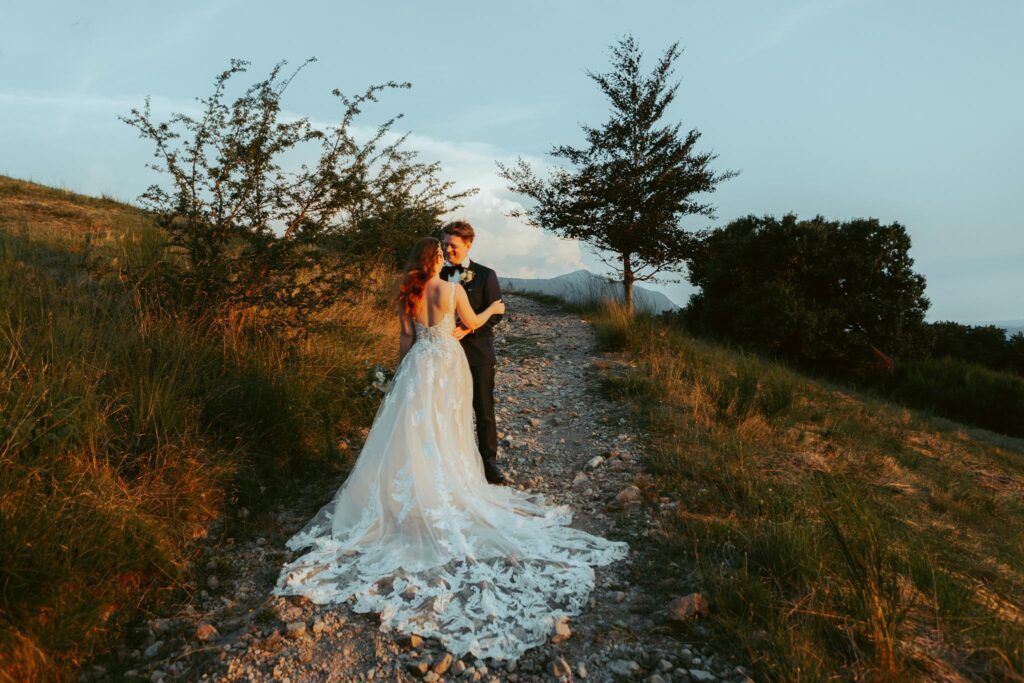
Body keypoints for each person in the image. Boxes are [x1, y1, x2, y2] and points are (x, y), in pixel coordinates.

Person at [273, 237, 628, 661]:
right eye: (442, 254)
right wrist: (495, 309)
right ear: (436, 260)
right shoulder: (451, 288)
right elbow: (472, 322)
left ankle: (406, 494)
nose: (446, 256)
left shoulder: (409, 293)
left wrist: (398, 375)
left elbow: (405, 341)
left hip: (418, 366)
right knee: (447, 429)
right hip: (446, 365)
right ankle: (444, 489)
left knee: (409, 430)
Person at [440, 220, 507, 484]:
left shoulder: (486, 274)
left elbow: (497, 311)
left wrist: (469, 328)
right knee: (448, 407)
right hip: (443, 352)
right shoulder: (437, 274)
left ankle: (489, 462)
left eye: (453, 245)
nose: (448, 250)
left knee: (483, 407)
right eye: (444, 244)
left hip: (478, 352)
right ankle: (452, 461)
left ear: (468, 245)